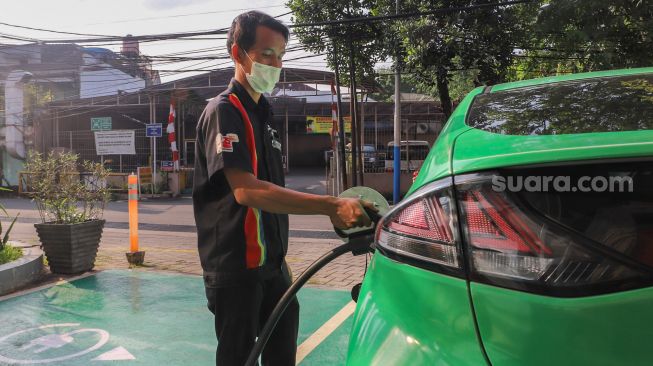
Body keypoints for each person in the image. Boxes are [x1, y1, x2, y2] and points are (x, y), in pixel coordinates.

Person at [192, 11, 374, 366]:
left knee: (282, 352)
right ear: (238, 54)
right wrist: (330, 205)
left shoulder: (266, 116)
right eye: (265, 54)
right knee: (238, 358)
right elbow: (247, 192)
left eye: (280, 55)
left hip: (272, 266)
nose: (275, 64)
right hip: (235, 268)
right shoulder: (224, 112)